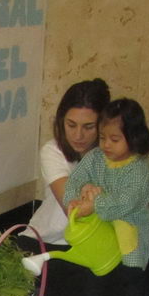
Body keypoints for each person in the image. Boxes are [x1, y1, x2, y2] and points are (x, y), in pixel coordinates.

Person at [48, 98, 149, 296]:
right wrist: (77, 197)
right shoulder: (95, 158)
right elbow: (74, 183)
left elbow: (127, 201)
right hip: (100, 228)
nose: (106, 145)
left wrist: (94, 203)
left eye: (115, 139)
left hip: (130, 231)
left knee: (133, 274)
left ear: (135, 137)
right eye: (103, 137)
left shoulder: (139, 169)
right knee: (95, 267)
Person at [25, 78, 111, 247]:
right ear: (61, 121)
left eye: (88, 127)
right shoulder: (52, 151)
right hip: (47, 242)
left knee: (142, 272)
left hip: (96, 243)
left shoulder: (113, 153)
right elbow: (73, 209)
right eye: (71, 125)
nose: (78, 136)